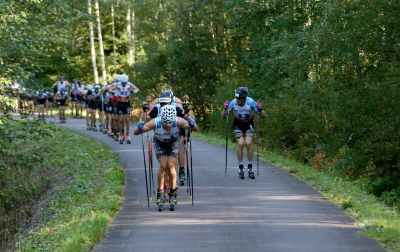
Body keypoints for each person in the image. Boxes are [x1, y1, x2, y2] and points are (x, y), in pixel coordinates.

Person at [134, 105, 198, 211]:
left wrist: (192, 123)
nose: (168, 126)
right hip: (159, 142)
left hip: (173, 142)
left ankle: (173, 192)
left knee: (171, 165)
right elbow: (136, 132)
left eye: (170, 123)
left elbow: (195, 128)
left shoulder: (178, 121)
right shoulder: (155, 122)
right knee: (163, 165)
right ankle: (160, 193)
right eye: (165, 123)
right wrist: (140, 125)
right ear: (161, 119)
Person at [221, 86, 265, 179]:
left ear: (244, 98)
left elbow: (263, 116)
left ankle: (250, 167)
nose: (237, 100)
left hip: (249, 123)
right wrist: (224, 109)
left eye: (239, 98)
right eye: (236, 97)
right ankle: (240, 167)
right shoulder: (233, 103)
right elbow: (223, 117)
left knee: (248, 142)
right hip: (238, 124)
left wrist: (260, 110)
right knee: (240, 143)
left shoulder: (251, 102)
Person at [106, 74, 139, 144]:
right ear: (121, 82)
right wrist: (112, 91)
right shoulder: (118, 84)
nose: (124, 84)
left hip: (126, 104)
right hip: (119, 104)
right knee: (120, 119)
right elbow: (110, 89)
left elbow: (136, 88)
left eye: (125, 83)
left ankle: (127, 135)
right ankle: (120, 134)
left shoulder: (129, 84)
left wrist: (135, 90)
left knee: (127, 119)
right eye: (123, 83)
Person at [177, 95, 195, 186]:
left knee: (180, 151)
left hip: (180, 131)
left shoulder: (179, 106)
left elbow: (192, 119)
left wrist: (187, 111)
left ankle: (181, 171)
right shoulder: (163, 107)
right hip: (169, 131)